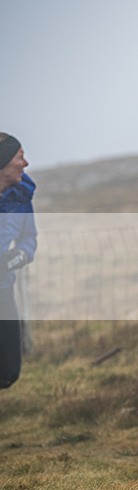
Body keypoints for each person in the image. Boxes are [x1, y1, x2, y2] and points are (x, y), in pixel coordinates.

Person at [0, 133, 37, 389]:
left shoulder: (20, 195)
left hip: (3, 288)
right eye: (20, 157)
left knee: (8, 371)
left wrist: (13, 259)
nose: (25, 164)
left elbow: (29, 238)